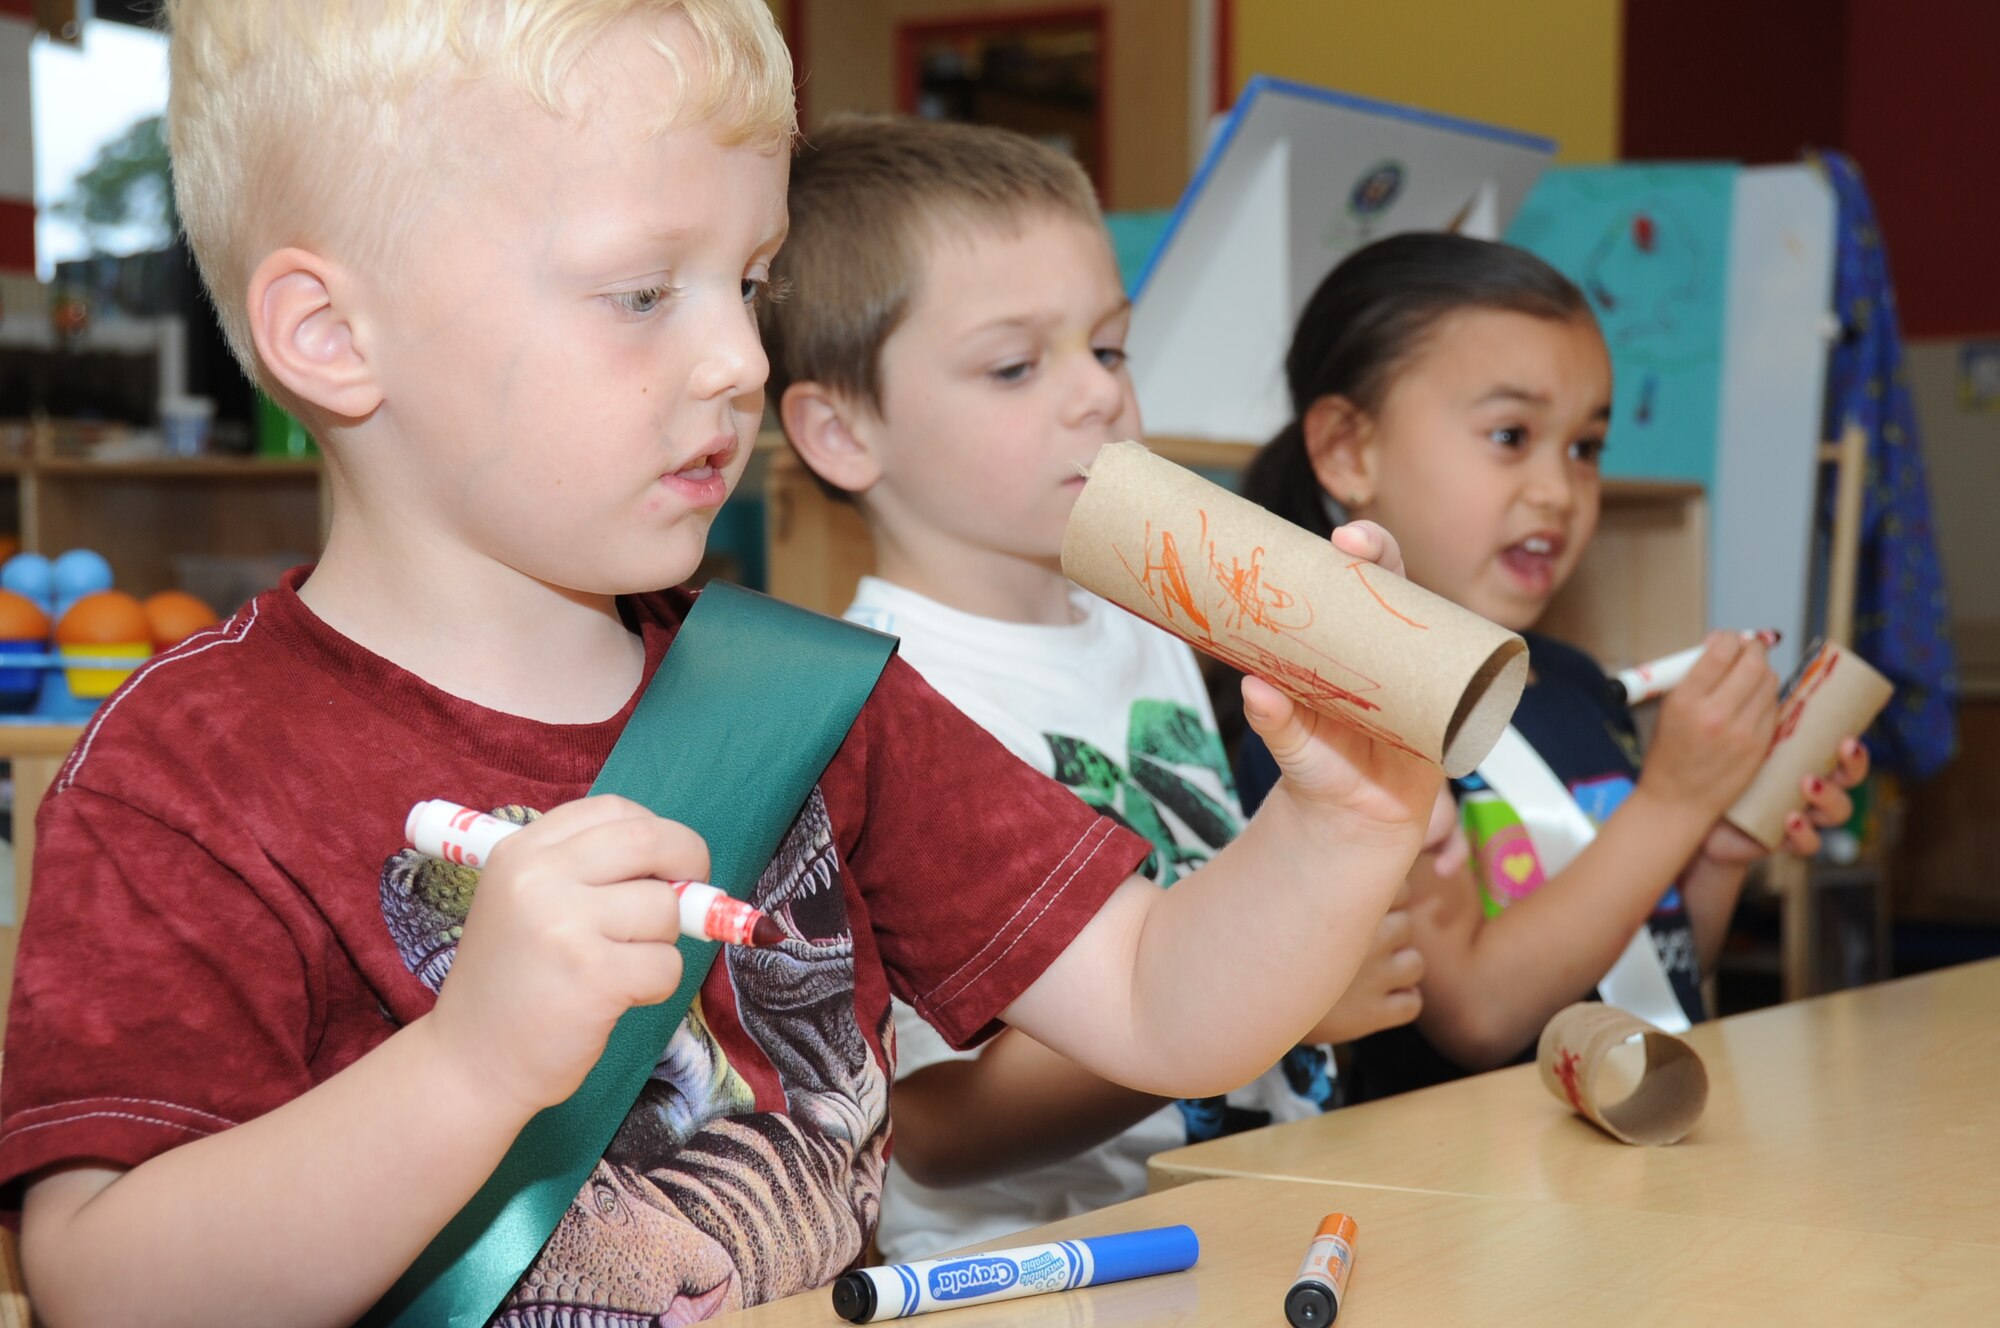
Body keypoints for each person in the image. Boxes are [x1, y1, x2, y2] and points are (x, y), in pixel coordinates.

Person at [0, 6, 1443, 1324]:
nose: (741, 360)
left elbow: (1159, 1003)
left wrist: (1335, 826)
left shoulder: (808, 697)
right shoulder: (187, 772)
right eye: (642, 293)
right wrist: (471, 1066)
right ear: (330, 335)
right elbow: (102, 1288)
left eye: (748, 281)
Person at [761, 115, 1430, 1261]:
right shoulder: (878, 704)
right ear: (839, 429)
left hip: (1248, 1221)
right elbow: (936, 1129)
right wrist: (1270, 998)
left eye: (1108, 349)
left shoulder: (1144, 621)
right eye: (1016, 365)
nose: (1095, 398)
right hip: (1047, 1270)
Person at [1234, 233, 1870, 1102]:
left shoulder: (1572, 682)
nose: (1560, 490)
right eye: (1510, 435)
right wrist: (1674, 802)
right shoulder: (1336, 716)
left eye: (1585, 447)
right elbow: (1479, 1014)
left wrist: (1714, 850)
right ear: (1349, 450)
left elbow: (1650, 972)